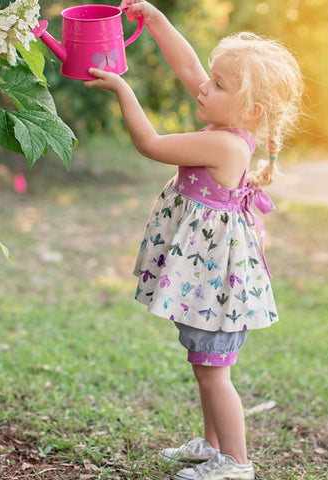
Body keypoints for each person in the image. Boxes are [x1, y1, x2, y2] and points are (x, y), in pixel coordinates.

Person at [84, 1, 303, 479]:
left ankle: (236, 464)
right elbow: (187, 65)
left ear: (251, 108)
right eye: (212, 77)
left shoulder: (223, 143)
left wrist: (122, 88)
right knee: (205, 363)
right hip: (210, 279)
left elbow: (151, 145)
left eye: (218, 84)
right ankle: (211, 446)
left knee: (213, 372)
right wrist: (156, 20)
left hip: (217, 284)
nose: (204, 84)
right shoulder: (229, 121)